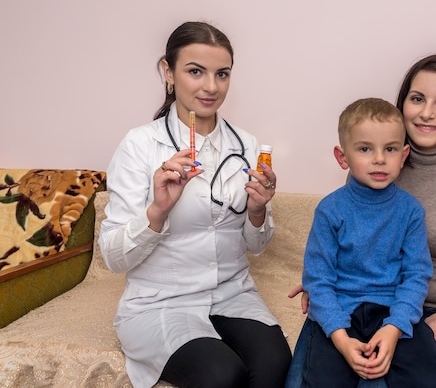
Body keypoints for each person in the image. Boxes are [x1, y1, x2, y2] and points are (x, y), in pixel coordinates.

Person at [286, 54, 436, 387]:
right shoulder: (371, 167)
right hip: (346, 309)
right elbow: (352, 241)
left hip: (424, 314)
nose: (427, 112)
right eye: (417, 98)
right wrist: (323, 288)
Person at [98, 21, 292, 388]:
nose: (211, 87)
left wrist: (257, 211)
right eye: (195, 71)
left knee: (274, 365)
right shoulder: (139, 146)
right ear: (167, 72)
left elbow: (258, 246)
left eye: (222, 74)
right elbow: (112, 257)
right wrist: (158, 212)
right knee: (221, 375)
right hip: (161, 302)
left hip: (232, 295)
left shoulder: (247, 146)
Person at [300, 98, 436, 387]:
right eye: (365, 149)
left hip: (394, 308)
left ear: (404, 155)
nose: (380, 159)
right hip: (341, 313)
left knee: (432, 379)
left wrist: (395, 327)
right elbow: (318, 280)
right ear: (342, 156)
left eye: (390, 149)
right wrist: (341, 339)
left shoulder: (411, 211)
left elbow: (416, 276)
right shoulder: (330, 210)